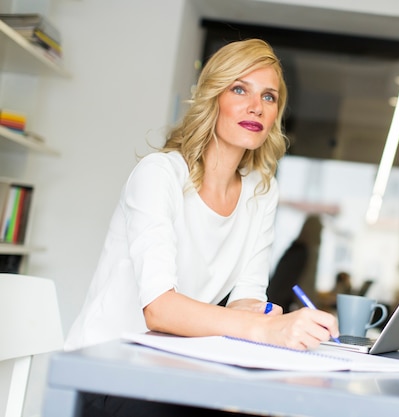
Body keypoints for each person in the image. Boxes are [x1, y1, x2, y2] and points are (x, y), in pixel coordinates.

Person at [65, 39, 338, 354]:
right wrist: (264, 328)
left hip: (174, 360)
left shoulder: (261, 190)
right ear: (213, 97)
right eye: (239, 89)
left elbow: (247, 298)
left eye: (268, 96)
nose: (256, 106)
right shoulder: (160, 174)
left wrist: (264, 316)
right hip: (105, 364)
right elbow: (159, 309)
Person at [266, 215, 323, 312]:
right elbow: (306, 286)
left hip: (275, 302)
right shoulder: (304, 252)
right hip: (280, 305)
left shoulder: (294, 249)